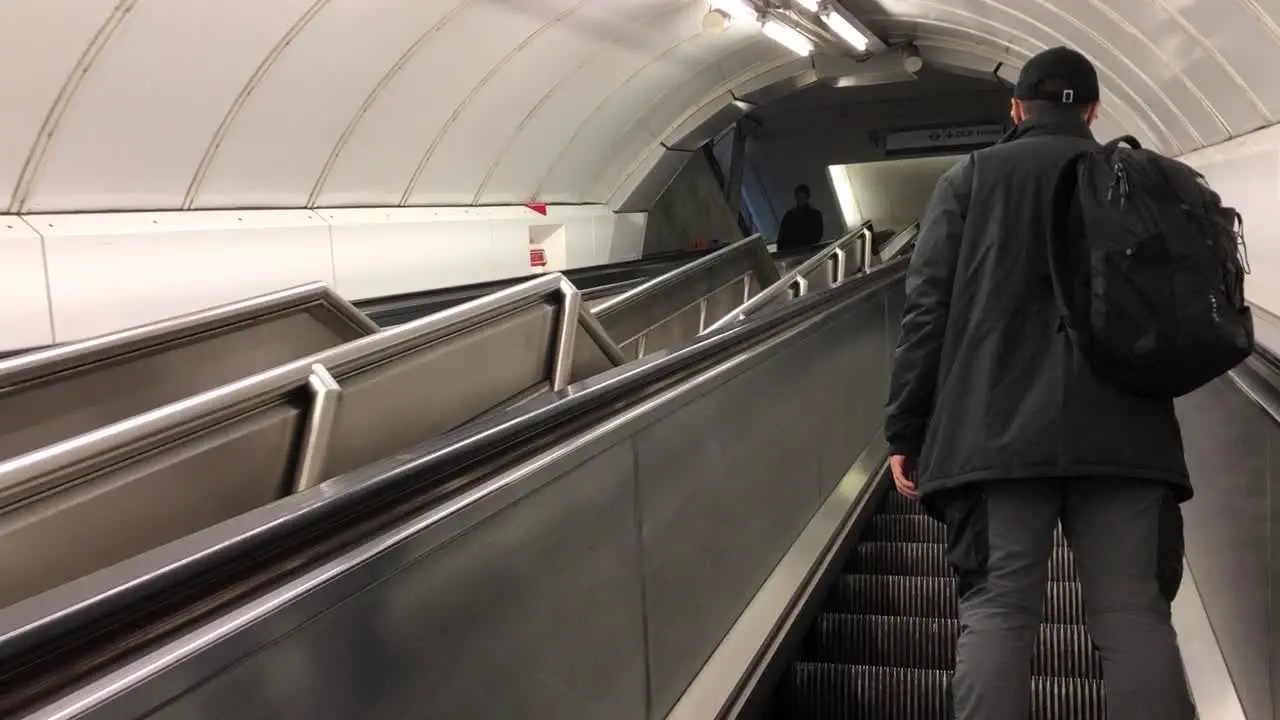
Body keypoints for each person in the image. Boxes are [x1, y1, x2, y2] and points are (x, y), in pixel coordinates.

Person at [883, 46, 1196, 719]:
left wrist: (906, 428)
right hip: (1126, 433)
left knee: (996, 616)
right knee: (1134, 619)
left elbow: (926, 310)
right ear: (1092, 109)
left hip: (994, 433)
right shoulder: (1136, 179)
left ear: (1017, 108)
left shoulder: (968, 181)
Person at [776, 184, 824, 249]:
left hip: (807, 250)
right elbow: (781, 236)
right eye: (799, 197)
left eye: (803, 197)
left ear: (807, 198)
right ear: (796, 197)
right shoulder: (789, 215)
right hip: (790, 251)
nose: (801, 200)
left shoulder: (815, 214)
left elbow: (817, 235)